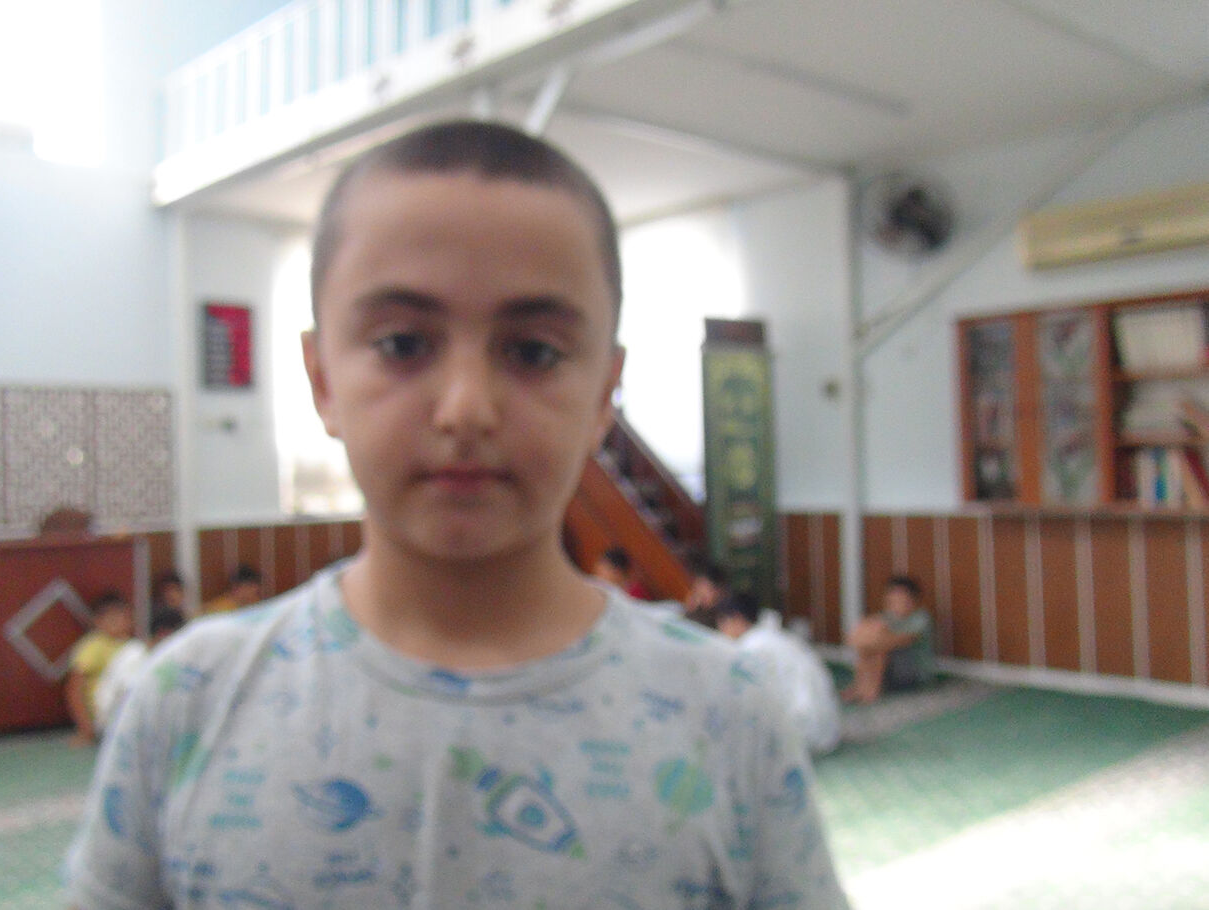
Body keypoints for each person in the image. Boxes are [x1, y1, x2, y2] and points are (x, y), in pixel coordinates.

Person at [65, 119, 848, 909]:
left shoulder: (728, 714)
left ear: (604, 393)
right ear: (322, 378)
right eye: (403, 344)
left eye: (534, 351)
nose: (466, 408)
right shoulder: (189, 699)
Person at [716, 595, 841, 755]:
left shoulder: (752, 647)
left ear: (737, 619)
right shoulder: (770, 637)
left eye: (722, 623)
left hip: (803, 731)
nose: (721, 631)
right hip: (823, 726)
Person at [92, 606, 187, 737]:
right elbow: (131, 702)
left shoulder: (160, 657)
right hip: (114, 729)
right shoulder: (134, 656)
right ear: (164, 634)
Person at [840, 574, 935, 704]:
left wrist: (869, 640)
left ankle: (871, 691)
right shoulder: (888, 617)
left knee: (879, 648)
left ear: (913, 601)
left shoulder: (920, 618)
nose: (895, 605)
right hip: (891, 671)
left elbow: (901, 640)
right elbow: (854, 637)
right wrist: (868, 637)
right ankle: (860, 687)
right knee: (871, 643)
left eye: (900, 600)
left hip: (913, 674)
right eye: (892, 601)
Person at [64, 592, 133, 746]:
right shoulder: (93, 646)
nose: (118, 623)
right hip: (102, 716)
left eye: (123, 618)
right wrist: (86, 727)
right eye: (112, 619)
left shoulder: (132, 647)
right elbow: (74, 689)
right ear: (97, 621)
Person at [682, 559, 728, 629]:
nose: (699, 598)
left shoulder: (725, 615)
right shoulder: (697, 609)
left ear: (719, 591)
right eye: (696, 591)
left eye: (704, 594)